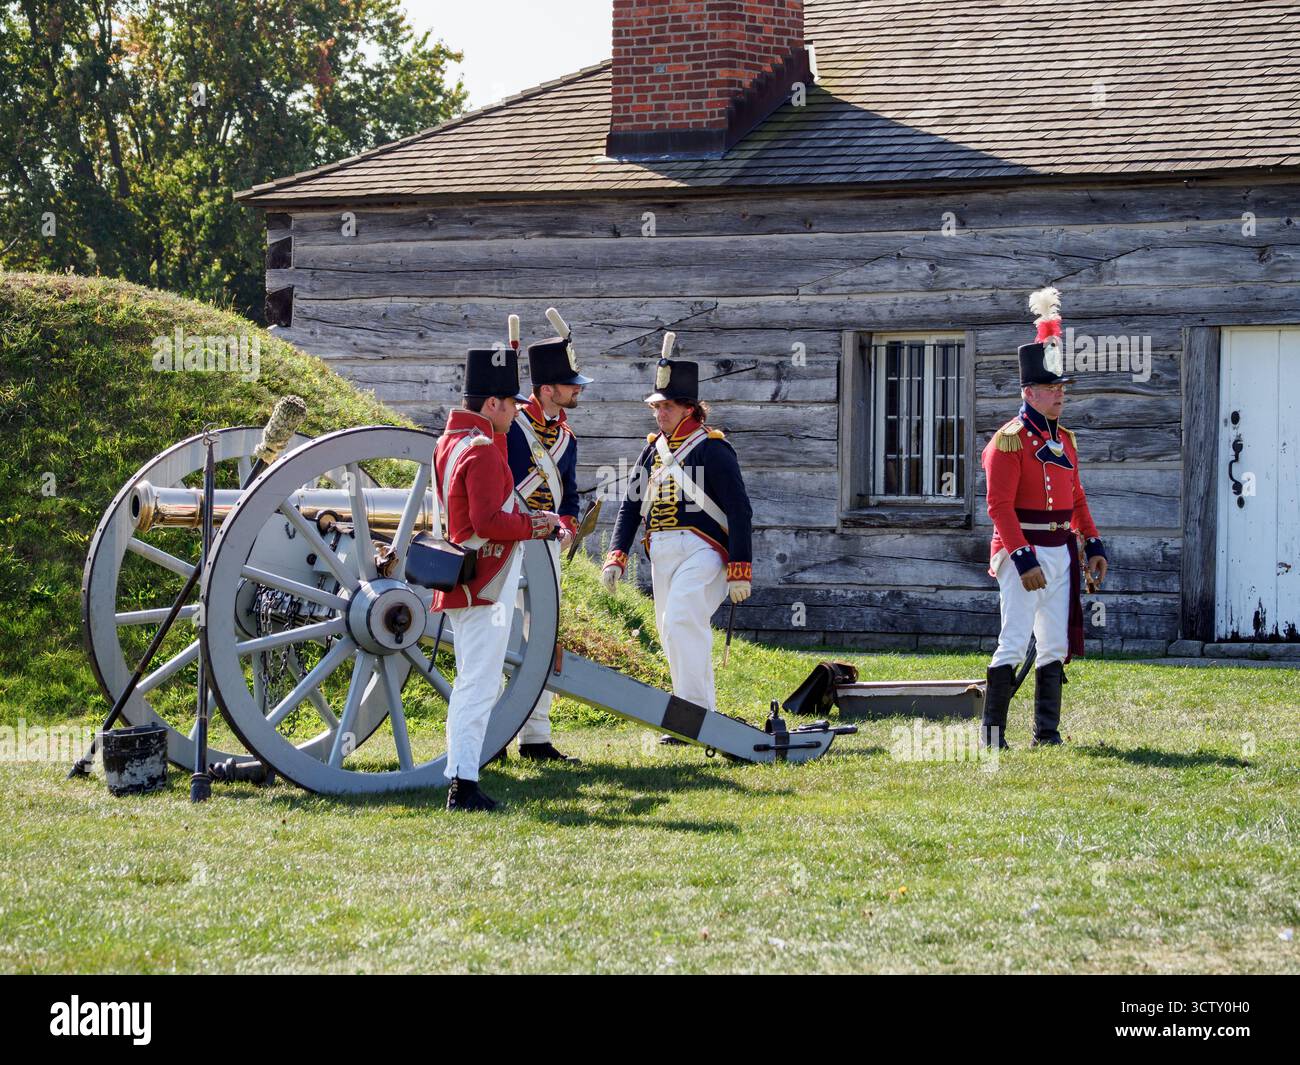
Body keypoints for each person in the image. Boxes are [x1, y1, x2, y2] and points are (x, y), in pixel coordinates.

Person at [600, 340, 753, 733]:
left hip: (704, 552)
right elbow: (632, 506)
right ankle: (697, 715)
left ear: (689, 408)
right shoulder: (651, 452)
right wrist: (616, 553)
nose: (659, 413)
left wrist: (740, 567)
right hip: (662, 554)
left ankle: (693, 718)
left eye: (666, 406)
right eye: (656, 407)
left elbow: (739, 510)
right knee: (672, 630)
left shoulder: (713, 449)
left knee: (684, 617)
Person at [432, 345, 560, 811]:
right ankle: (462, 785)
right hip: (485, 575)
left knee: (474, 677)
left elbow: (495, 474)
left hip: (462, 576)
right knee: (479, 683)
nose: (516, 412)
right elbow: (489, 520)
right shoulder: (482, 450)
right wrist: (536, 526)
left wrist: (506, 359)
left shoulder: (455, 442)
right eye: (509, 403)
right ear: (492, 404)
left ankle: (461, 774)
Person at [981, 287, 1108, 749]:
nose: (1060, 396)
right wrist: (1021, 557)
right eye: (1052, 389)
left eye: (1062, 389)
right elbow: (998, 508)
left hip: (1060, 552)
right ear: (1029, 392)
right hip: (1023, 552)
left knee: (1053, 645)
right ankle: (992, 736)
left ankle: (1046, 734)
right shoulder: (1009, 440)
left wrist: (1092, 544)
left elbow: (1077, 498)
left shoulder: (1067, 441)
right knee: (1014, 641)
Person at [504, 309, 592, 762]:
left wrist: (569, 526)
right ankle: (495, 730)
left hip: (546, 545)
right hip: (506, 539)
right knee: (500, 635)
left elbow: (570, 496)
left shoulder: (567, 439)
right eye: (570, 384)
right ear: (546, 390)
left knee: (542, 635)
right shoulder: (510, 425)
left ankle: (535, 736)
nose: (577, 390)